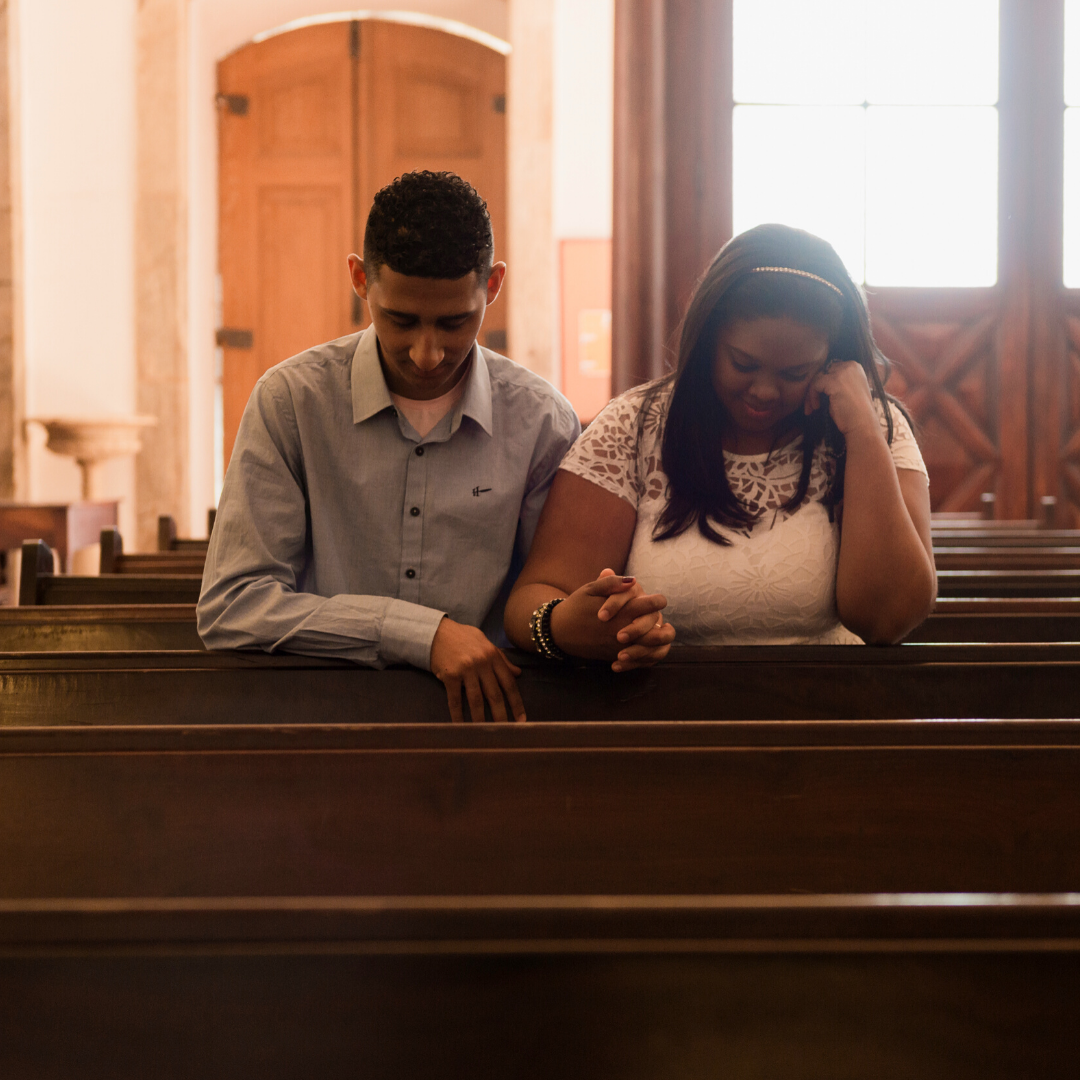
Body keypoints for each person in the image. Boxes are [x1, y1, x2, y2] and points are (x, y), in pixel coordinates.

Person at [199, 170, 666, 722]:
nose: (426, 354)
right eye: (400, 320)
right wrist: (421, 634)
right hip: (325, 718)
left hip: (491, 724)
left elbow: (546, 597)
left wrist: (593, 619)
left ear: (492, 287)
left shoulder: (541, 419)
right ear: (358, 279)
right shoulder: (291, 403)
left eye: (455, 322)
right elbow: (233, 605)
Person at [504, 224, 937, 661]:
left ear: (832, 359)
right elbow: (531, 601)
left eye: (795, 373)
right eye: (743, 363)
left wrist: (862, 432)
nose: (765, 391)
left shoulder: (874, 426)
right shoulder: (633, 425)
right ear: (708, 339)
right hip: (659, 715)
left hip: (829, 714)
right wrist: (563, 626)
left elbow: (887, 620)